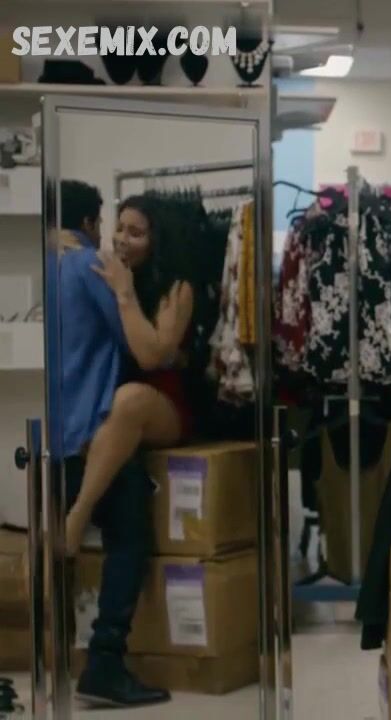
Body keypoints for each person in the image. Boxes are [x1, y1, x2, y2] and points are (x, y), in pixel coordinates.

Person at [54, 186, 172, 707]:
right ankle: (104, 661)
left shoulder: (39, 262)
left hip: (47, 439)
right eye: (110, 225)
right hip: (91, 431)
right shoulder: (91, 267)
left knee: (60, 547)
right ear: (88, 221)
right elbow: (141, 346)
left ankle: (56, 655)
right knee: (128, 540)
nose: (115, 237)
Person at [64, 194, 196, 558]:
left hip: (165, 406)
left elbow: (150, 357)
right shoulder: (109, 270)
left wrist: (125, 295)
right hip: (113, 405)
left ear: (157, 241)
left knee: (129, 399)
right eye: (119, 228)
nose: (122, 239)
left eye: (135, 233)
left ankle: (77, 515)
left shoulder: (177, 288)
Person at [59, 179, 103, 252]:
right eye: (99, 224)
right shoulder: (94, 257)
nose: (100, 236)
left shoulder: (44, 252)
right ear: (88, 223)